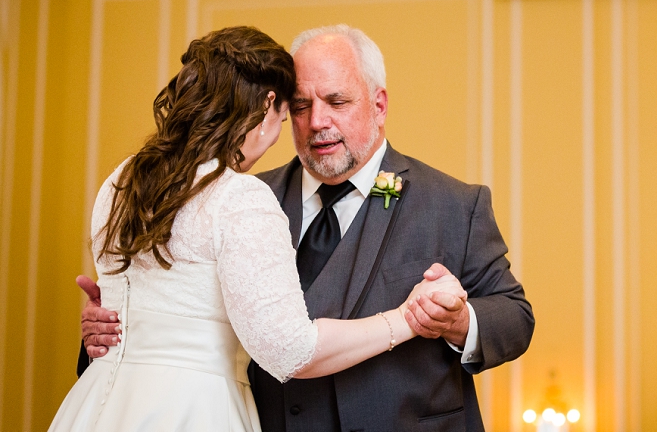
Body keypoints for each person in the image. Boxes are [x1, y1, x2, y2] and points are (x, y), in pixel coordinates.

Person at [80, 24, 534, 432]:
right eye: (300, 106)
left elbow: (514, 317)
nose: (318, 122)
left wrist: (459, 322)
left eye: (337, 101)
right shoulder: (237, 195)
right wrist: (109, 328)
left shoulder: (453, 203)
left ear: (378, 105)